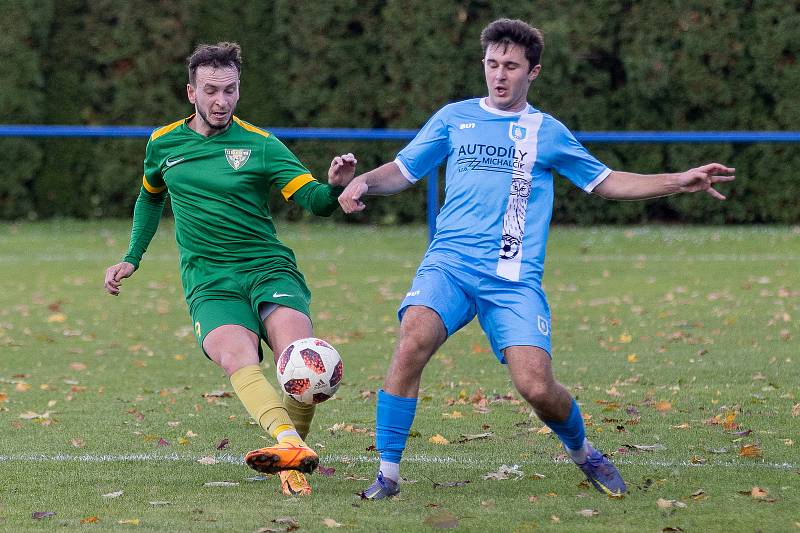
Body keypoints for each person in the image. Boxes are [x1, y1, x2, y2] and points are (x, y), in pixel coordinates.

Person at [338, 19, 735, 499]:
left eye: (511, 66)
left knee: (536, 386)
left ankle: (584, 452)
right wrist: (362, 182)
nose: (499, 75)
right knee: (412, 340)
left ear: (534, 72)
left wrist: (677, 180)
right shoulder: (453, 118)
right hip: (450, 264)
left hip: (511, 279)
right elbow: (402, 171)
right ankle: (388, 475)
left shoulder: (546, 132)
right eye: (492, 65)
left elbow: (605, 181)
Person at [103, 42, 356, 496]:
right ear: (191, 93)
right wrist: (131, 256)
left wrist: (334, 187)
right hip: (210, 280)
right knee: (237, 357)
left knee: (300, 359)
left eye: (230, 90)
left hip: (268, 269)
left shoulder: (261, 145)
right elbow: (149, 196)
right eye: (211, 91)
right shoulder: (163, 143)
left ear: (239, 91)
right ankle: (290, 450)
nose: (221, 101)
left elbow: (314, 201)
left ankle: (289, 452)